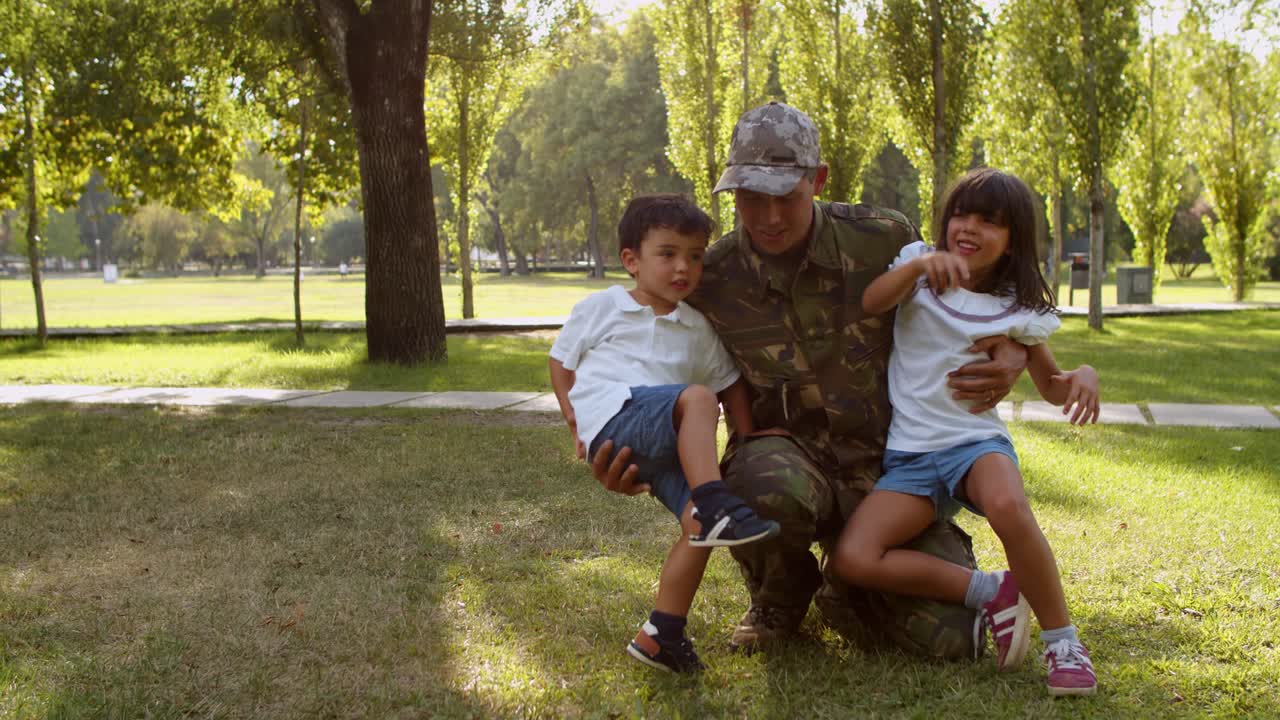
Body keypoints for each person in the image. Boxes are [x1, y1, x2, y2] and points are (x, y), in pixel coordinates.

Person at [590, 102, 1029, 660]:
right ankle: (781, 593)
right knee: (760, 483)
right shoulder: (708, 275)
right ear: (732, 190)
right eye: (752, 197)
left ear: (818, 180)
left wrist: (1015, 349)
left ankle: (846, 586)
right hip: (787, 463)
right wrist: (621, 449)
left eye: (787, 197)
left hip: (891, 474)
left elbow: (972, 295)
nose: (770, 216)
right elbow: (640, 362)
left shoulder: (883, 239)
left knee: (952, 640)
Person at [831, 168, 1099, 696]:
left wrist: (1084, 375)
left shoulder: (1017, 308)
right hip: (910, 456)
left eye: (989, 221)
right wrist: (919, 267)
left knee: (1008, 506)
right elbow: (872, 302)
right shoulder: (916, 267)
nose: (969, 227)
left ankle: (1064, 644)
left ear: (1013, 239)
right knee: (854, 558)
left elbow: (1053, 386)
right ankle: (992, 591)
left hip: (975, 445)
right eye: (961, 214)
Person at [549, 193, 781, 674]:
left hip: (662, 440)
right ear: (631, 260)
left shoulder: (697, 327)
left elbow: (731, 384)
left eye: (695, 256)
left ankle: (662, 634)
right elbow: (561, 362)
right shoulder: (604, 306)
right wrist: (575, 421)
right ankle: (715, 500)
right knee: (698, 399)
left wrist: (748, 437)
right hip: (615, 416)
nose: (683, 267)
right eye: (668, 253)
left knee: (698, 528)